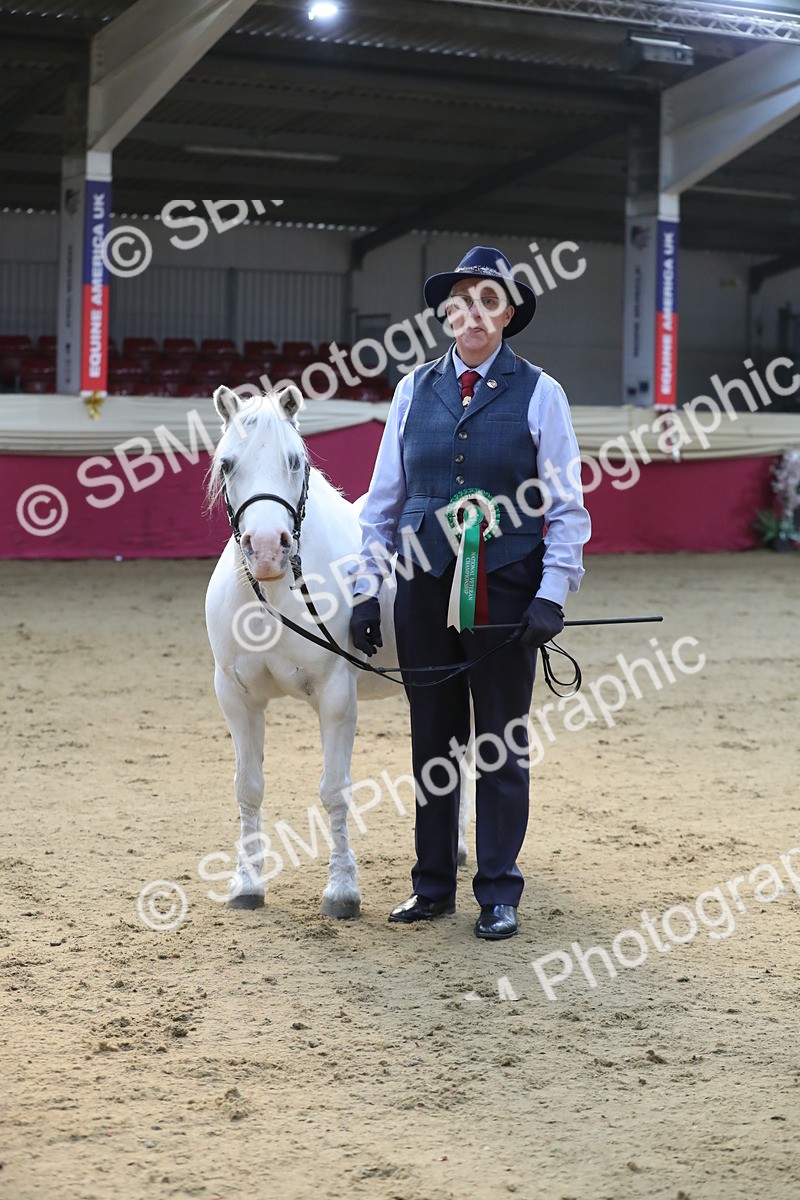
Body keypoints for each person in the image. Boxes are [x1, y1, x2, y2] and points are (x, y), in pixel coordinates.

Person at [349, 245, 590, 940]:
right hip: (422, 592)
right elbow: (382, 504)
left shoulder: (542, 393)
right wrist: (368, 592)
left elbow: (566, 507)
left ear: (509, 314)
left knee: (500, 745)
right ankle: (431, 887)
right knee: (431, 741)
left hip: (508, 591)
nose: (474, 313)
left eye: (490, 300)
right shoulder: (411, 390)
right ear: (448, 313)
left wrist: (552, 594)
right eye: (463, 300)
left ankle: (498, 892)